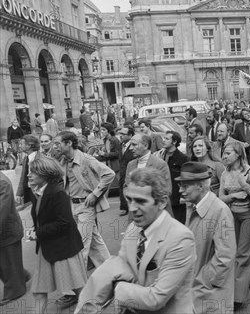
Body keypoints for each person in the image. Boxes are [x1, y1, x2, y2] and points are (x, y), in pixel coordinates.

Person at [76, 167, 196, 313]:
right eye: (129, 199)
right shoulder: (134, 228)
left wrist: (118, 288)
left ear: (162, 202)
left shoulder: (180, 239)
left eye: (140, 201)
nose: (132, 208)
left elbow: (156, 298)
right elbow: (119, 267)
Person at [54, 131, 114, 302]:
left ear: (69, 144)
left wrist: (95, 194)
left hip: (86, 208)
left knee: (80, 249)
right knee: (97, 246)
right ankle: (114, 276)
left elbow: (109, 174)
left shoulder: (86, 159)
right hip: (72, 206)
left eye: (59, 143)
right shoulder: (64, 161)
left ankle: (80, 292)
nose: (56, 146)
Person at [28, 156, 88, 312]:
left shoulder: (57, 192)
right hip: (47, 248)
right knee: (38, 291)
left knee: (79, 289)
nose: (29, 175)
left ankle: (91, 310)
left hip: (63, 248)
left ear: (44, 173)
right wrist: (37, 232)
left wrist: (38, 232)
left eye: (33, 172)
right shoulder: (40, 191)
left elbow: (64, 222)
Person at [177, 162, 236, 313]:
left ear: (200, 186)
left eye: (185, 186)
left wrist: (202, 281)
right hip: (197, 294)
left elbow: (225, 257)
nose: (180, 190)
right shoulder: (192, 205)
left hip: (210, 298)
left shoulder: (220, 210)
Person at [218, 142, 250, 311]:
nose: (224, 156)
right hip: (232, 216)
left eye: (228, 153)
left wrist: (245, 185)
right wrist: (234, 196)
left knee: (242, 254)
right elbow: (220, 198)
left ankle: (237, 297)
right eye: (223, 153)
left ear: (238, 154)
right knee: (242, 248)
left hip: (249, 216)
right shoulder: (224, 173)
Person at [125, 134, 173, 215]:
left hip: (156, 213)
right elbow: (126, 186)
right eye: (130, 145)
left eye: (134, 145)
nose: (130, 148)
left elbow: (166, 190)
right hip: (136, 213)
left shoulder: (160, 164)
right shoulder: (131, 164)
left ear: (145, 145)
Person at [0, 172, 29, 306]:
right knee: (7, 261)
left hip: (7, 230)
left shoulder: (2, 183)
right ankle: (21, 275)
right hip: (5, 230)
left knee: (8, 259)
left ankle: (15, 291)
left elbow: (2, 212)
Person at [156, 131, 189, 223]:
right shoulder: (160, 155)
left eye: (167, 139)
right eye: (164, 138)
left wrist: (183, 196)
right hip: (162, 197)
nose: (163, 140)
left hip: (176, 199)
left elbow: (185, 179)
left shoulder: (182, 159)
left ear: (174, 142)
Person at [16, 135, 42, 208]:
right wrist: (19, 193)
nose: (20, 146)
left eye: (22, 144)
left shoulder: (41, 158)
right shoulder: (26, 158)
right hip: (30, 191)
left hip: (39, 192)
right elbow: (23, 177)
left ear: (29, 145)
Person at [117, 125, 136, 216]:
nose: (121, 135)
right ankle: (123, 207)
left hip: (131, 173)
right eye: (120, 133)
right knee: (122, 188)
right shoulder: (121, 145)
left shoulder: (134, 146)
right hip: (122, 172)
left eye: (123, 134)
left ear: (130, 135)